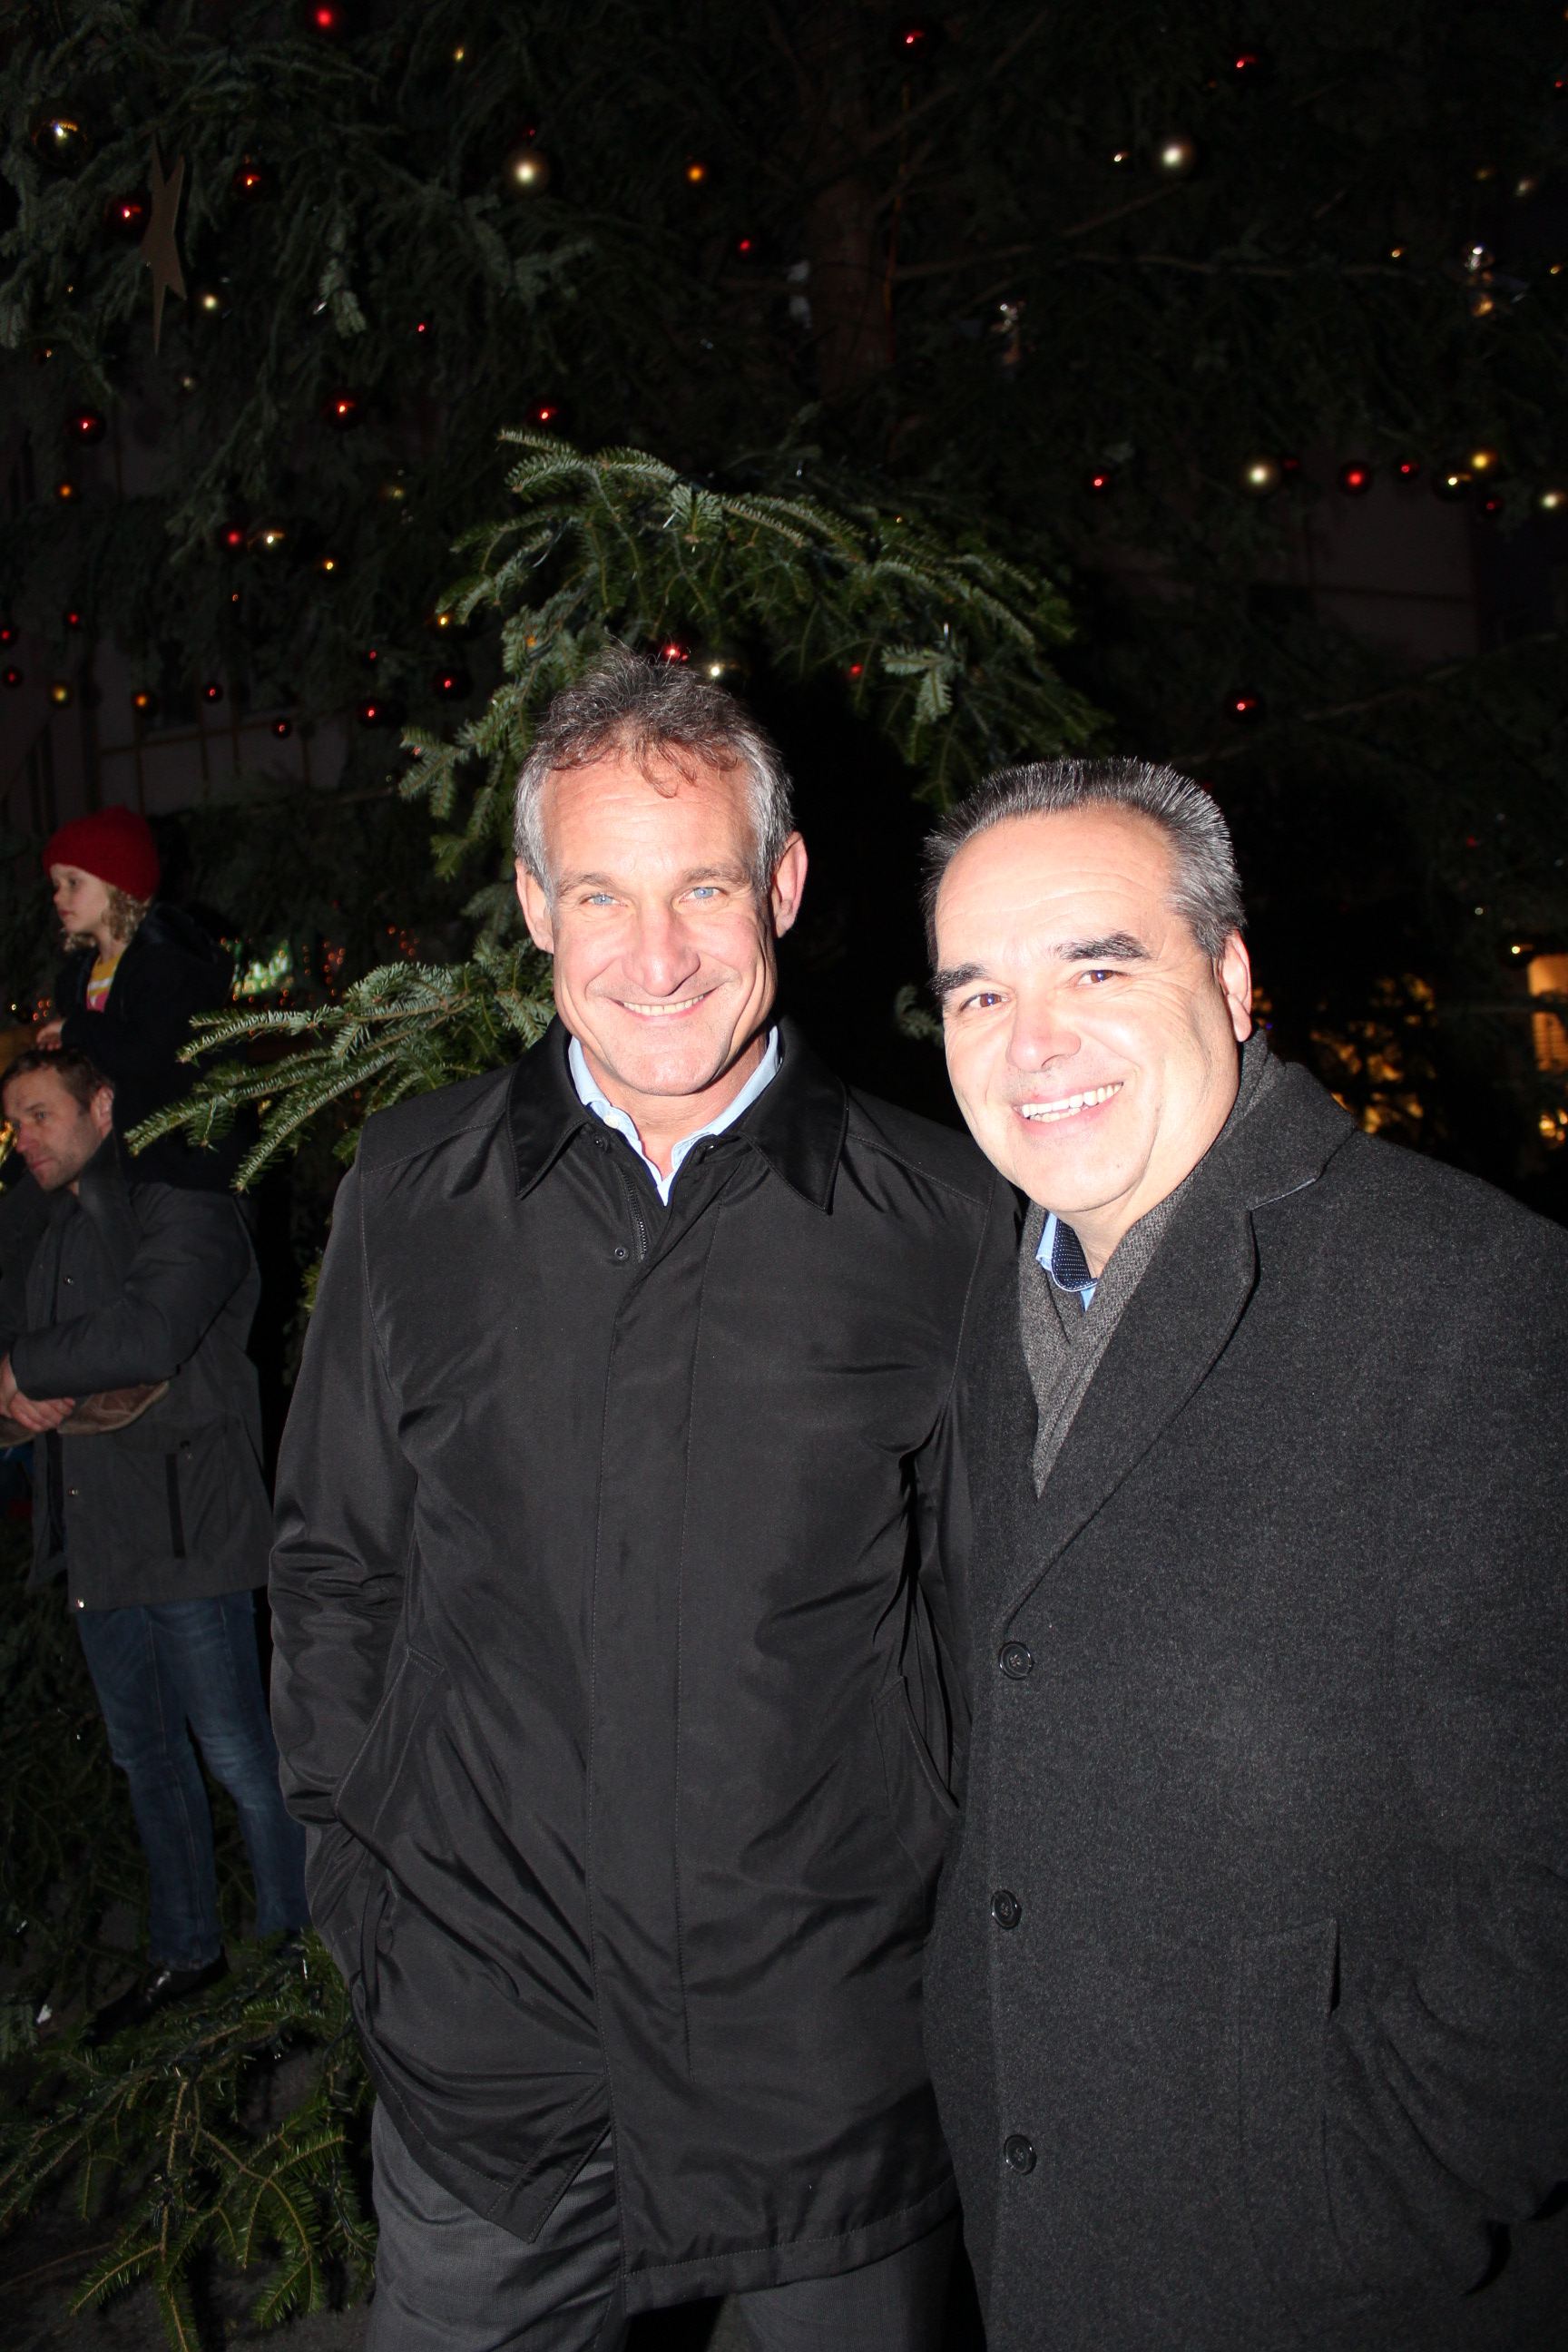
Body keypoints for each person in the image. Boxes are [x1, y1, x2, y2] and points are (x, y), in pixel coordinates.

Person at [270, 650, 1011, 2350]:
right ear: (536, 905)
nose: (655, 955)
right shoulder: (415, 1190)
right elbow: (335, 1564)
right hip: (490, 2084)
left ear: (784, 886)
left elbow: (990, 1637)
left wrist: (925, 1951)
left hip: (825, 2080)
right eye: (600, 893)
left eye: (702, 888)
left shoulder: (941, 1222)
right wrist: (371, 1909)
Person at [920, 757, 1568, 2352]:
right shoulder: (997, 1300)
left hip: (1324, 2281)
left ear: (1227, 975)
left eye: (1096, 967)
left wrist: (1363, 2192)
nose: (1029, 1041)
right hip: (1038, 2223)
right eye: (976, 992)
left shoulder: (1470, 1297)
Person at [0, 1047, 308, 2040]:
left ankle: (302, 1962)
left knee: (241, 1756)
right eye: (14, 1121)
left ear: (103, 1105)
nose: (23, 1138)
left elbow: (150, 1333)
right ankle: (187, 1951)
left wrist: (26, 1369)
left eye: (41, 1114)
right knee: (148, 1762)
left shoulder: (186, 1202)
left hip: (189, 1533)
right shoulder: (45, 1232)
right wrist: (17, 1395)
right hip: (98, 1541)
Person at [37, 805, 238, 1187]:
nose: (59, 897)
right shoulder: (77, 978)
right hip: (113, 1158)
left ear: (119, 886)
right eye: (56, 885)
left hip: (179, 1163)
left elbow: (149, 1053)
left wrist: (76, 1030)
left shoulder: (166, 965)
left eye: (73, 882)